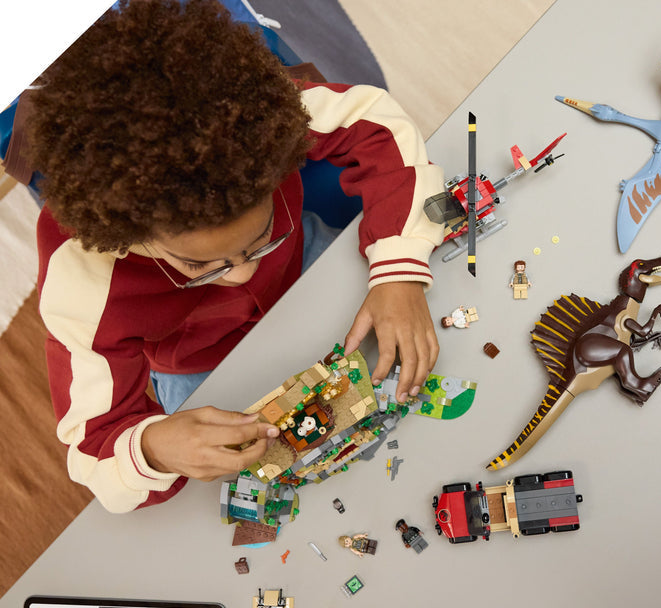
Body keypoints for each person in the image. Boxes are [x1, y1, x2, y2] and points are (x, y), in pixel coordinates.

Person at [28, 0, 444, 513]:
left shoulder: (257, 121)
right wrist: (153, 447)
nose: (244, 273)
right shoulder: (79, 277)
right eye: (199, 266)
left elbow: (373, 119)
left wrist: (398, 270)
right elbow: (91, 446)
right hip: (197, 364)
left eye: (261, 238)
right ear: (130, 237)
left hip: (309, 264)